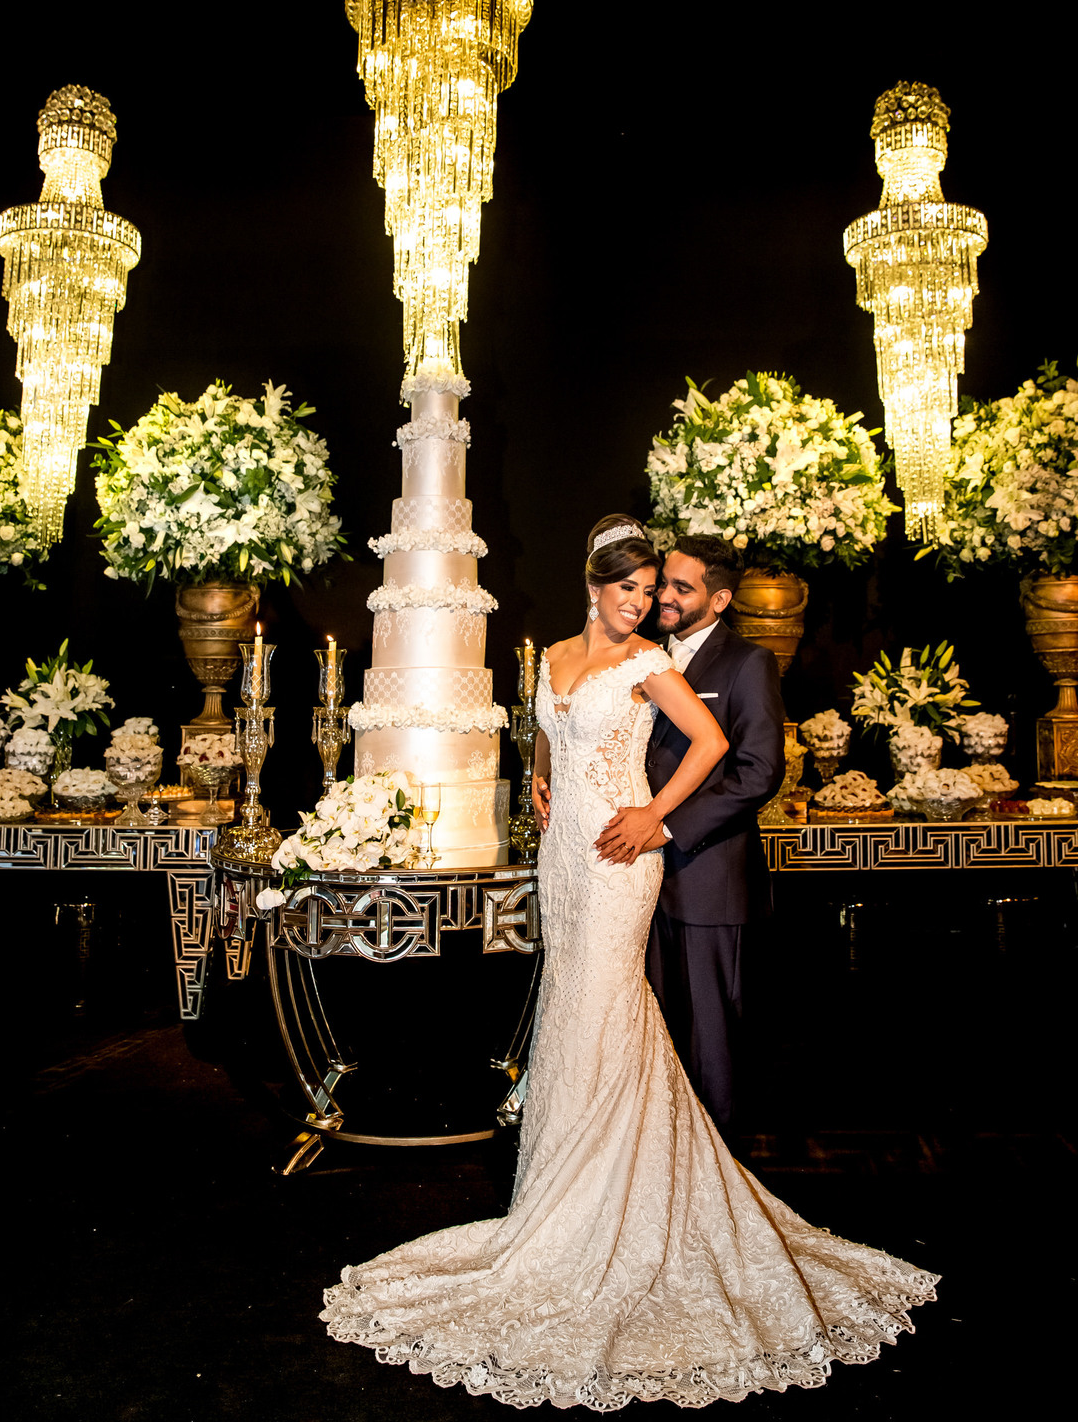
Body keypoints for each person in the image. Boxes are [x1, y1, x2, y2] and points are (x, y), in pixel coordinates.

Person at [321, 517, 937, 1409]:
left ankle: (618, 1201)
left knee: (610, 1005)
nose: (641, 603)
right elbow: (554, 734)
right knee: (571, 1006)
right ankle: (556, 1198)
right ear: (593, 582)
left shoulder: (650, 661)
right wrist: (540, 771)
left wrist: (655, 814)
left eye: (651, 592)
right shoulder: (553, 658)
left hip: (620, 855)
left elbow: (717, 746)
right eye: (629, 588)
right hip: (563, 854)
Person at [594, 534, 785, 1138]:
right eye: (661, 585)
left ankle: (719, 1169)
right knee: (655, 1027)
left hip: (709, 877)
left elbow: (760, 772)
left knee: (711, 1033)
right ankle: (664, 1155)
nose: (664, 598)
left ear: (720, 599)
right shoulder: (639, 654)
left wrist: (666, 825)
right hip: (636, 877)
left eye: (681, 587)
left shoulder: (747, 664)